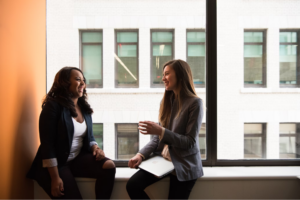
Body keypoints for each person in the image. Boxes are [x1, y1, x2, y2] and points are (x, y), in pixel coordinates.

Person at [27, 67, 116, 200]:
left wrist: (95, 148)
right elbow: (47, 145)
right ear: (64, 82)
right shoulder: (52, 106)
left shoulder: (83, 107)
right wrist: (55, 178)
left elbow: (89, 136)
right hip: (56, 165)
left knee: (109, 166)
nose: (82, 84)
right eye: (78, 79)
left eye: (83, 80)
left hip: (75, 159)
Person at [126, 60, 204, 200]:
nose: (163, 78)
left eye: (167, 74)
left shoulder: (195, 103)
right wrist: (140, 155)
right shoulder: (166, 101)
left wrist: (161, 131)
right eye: (163, 74)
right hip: (164, 160)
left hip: (184, 164)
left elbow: (190, 142)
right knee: (132, 185)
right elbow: (158, 138)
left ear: (180, 75)